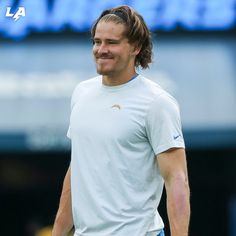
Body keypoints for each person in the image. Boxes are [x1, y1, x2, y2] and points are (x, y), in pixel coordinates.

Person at [52, 5, 190, 236]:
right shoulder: (81, 93)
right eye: (97, 41)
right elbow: (78, 168)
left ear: (136, 46)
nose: (101, 49)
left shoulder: (156, 102)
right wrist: (58, 231)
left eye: (111, 43)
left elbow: (177, 180)